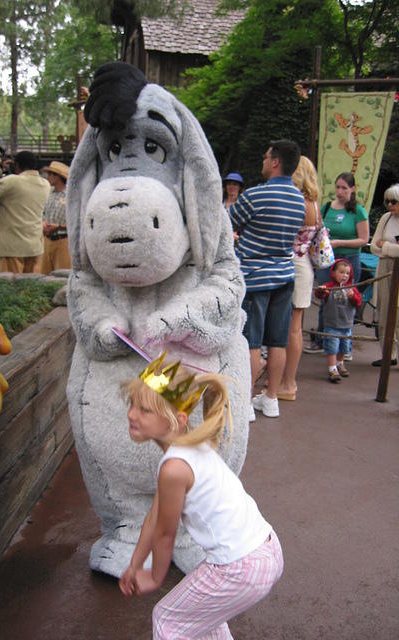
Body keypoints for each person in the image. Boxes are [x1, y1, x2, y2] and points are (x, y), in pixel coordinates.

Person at [119, 353, 283, 639]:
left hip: (239, 567)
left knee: (168, 619)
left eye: (144, 409)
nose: (132, 414)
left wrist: (155, 577)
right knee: (200, 620)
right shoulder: (190, 447)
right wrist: (134, 565)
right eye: (132, 404)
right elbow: (154, 518)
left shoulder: (174, 468)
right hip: (264, 552)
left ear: (177, 419)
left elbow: (165, 535)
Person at [229, 140, 305, 419]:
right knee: (277, 341)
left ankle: (246, 403)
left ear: (275, 162)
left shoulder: (254, 196)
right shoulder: (299, 199)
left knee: (251, 342)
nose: (263, 161)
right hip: (285, 275)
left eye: (265, 157)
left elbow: (227, 224)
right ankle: (271, 398)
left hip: (254, 278)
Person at [305, 172, 369, 355]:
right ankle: (321, 338)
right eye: (338, 187)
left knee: (347, 299)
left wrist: (340, 242)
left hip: (349, 259)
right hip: (328, 259)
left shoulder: (358, 211)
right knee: (325, 294)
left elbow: (363, 240)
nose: (340, 191)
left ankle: (344, 345)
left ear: (352, 189)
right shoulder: (326, 208)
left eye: (344, 188)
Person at [278, 156, 321, 400]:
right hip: (304, 265)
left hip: (291, 264)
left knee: (292, 329)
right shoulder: (314, 204)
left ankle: (287, 383)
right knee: (296, 327)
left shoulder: (298, 203)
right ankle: (287, 381)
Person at [0, 150, 50, 274]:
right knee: (30, 288)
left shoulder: (12, 181)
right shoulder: (45, 185)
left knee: (12, 288)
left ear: (17, 165)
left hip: (12, 247)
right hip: (34, 246)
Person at [314, 259, 362, 382]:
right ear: (334, 273)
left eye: (347, 273)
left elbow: (358, 302)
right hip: (332, 324)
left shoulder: (352, 288)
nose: (344, 276)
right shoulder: (329, 287)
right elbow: (320, 295)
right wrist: (321, 290)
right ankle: (332, 368)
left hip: (346, 324)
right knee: (332, 348)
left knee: (344, 348)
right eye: (341, 272)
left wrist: (353, 297)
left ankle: (340, 363)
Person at [370, 183, 399, 367]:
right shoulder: (386, 218)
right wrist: (389, 250)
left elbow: (381, 246)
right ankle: (389, 353)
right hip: (384, 268)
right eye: (387, 201)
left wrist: (385, 247)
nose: (390, 205)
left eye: (394, 201)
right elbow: (373, 246)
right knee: (384, 310)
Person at [40, 161, 71, 274]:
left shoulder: (70, 196)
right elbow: (44, 213)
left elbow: (76, 222)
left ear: (58, 177)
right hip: (47, 240)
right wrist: (43, 223)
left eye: (50, 174)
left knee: (62, 274)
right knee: (44, 274)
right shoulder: (49, 194)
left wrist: (58, 227)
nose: (48, 177)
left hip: (63, 240)